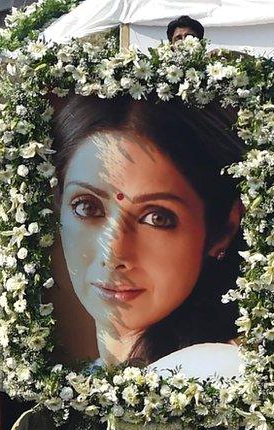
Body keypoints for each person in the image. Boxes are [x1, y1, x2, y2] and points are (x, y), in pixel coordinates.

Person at [51, 94, 244, 378]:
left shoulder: (217, 374)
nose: (113, 253)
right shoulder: (96, 379)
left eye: (157, 218)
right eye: (87, 207)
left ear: (223, 229)